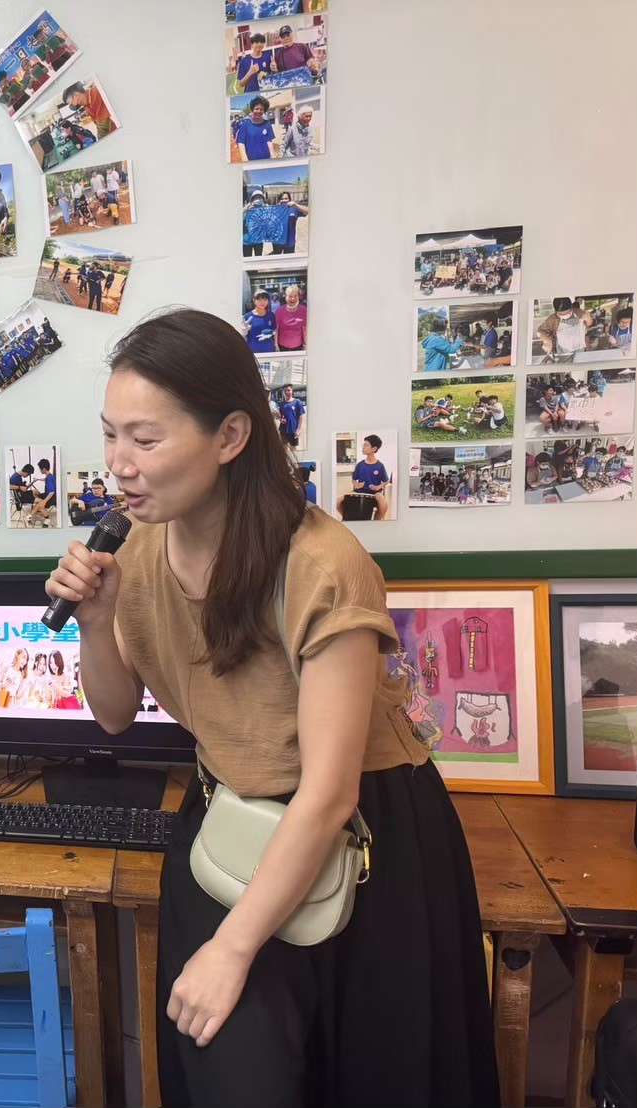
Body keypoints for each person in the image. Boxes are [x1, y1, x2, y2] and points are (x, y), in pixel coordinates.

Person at [45, 308, 497, 1107]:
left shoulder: (322, 563)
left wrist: (232, 950)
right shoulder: (137, 547)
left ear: (229, 436)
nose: (118, 464)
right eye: (110, 435)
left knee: (374, 1080)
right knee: (233, 1075)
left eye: (145, 439)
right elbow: (113, 715)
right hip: (227, 824)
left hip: (364, 840)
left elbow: (328, 793)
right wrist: (95, 621)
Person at [351, 434, 390, 520]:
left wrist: (377, 487)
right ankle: (350, 520)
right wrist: (357, 485)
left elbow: (386, 481)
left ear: (374, 448)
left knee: (384, 505)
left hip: (375, 493)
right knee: (339, 502)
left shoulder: (380, 466)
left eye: (366, 445)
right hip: (360, 491)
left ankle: (375, 522)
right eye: (363, 445)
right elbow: (353, 479)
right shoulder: (360, 465)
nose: (363, 447)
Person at [233, 95, 278, 161]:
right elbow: (241, 143)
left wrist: (273, 156)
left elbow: (269, 141)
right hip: (251, 159)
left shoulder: (267, 124)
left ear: (264, 111)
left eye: (261, 109)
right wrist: (244, 158)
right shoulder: (245, 125)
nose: (259, 111)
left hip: (266, 158)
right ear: (252, 109)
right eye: (256, 109)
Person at [273, 284, 306, 351]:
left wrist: (305, 344)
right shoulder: (279, 311)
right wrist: (276, 345)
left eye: (295, 296)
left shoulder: (304, 310)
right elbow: (276, 330)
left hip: (298, 347)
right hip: (283, 347)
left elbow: (304, 329)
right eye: (290, 296)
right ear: (286, 297)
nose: (293, 298)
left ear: (298, 296)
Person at [275, 384, 306, 450]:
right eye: (285, 391)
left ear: (292, 391)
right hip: (283, 431)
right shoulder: (282, 403)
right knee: (284, 449)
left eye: (289, 390)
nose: (287, 392)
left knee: (293, 449)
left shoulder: (297, 402)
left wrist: (299, 429)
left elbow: (301, 416)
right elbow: (280, 416)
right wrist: (280, 419)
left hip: (293, 431)